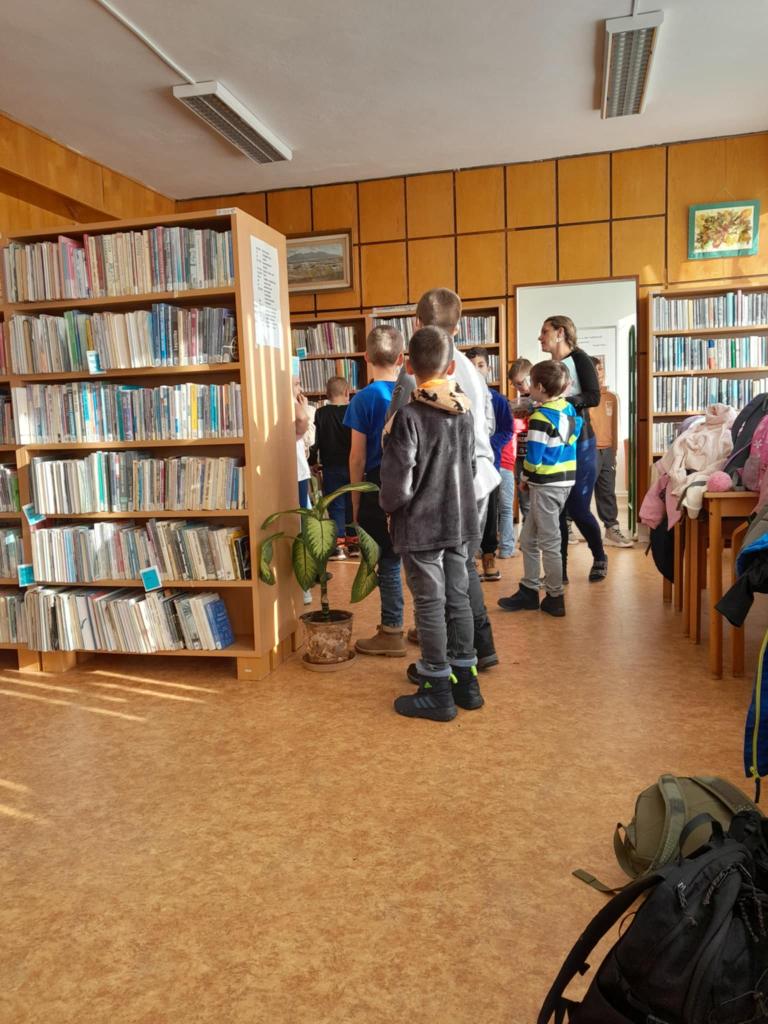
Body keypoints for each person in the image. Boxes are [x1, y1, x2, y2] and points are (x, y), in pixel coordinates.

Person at [386, 288, 500, 671]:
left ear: (415, 324)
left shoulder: (413, 376)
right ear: (460, 325)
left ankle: (443, 662)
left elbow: (396, 436)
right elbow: (489, 425)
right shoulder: (469, 369)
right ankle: (476, 651)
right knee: (462, 572)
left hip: (431, 494)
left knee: (433, 590)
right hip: (475, 482)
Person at [380, 326, 482, 722]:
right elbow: (471, 467)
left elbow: (397, 483)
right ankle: (466, 681)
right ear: (451, 367)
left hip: (421, 525)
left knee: (429, 603)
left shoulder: (408, 417)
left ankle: (436, 687)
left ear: (407, 366)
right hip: (460, 520)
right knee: (458, 598)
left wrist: (388, 507)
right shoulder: (465, 412)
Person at [497, 360, 581, 618]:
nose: (528, 389)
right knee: (528, 539)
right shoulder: (566, 408)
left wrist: (524, 477)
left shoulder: (540, 418)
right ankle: (529, 589)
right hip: (564, 481)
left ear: (540, 387)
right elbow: (574, 433)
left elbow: (533, 456)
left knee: (549, 542)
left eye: (531, 384)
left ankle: (555, 596)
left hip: (545, 484)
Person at [344, 326, 406, 656]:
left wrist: (355, 502)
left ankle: (392, 630)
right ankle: (428, 628)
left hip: (377, 485)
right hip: (413, 484)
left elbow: (357, 457)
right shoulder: (413, 393)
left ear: (366, 357)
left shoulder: (363, 399)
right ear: (401, 358)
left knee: (389, 562)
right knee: (420, 561)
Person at [538, 315, 608, 583]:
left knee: (578, 508)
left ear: (560, 333)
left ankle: (599, 555)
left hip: (581, 443)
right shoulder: (548, 366)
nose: (540, 337)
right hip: (555, 442)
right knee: (557, 510)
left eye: (545, 331)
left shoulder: (580, 359)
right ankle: (560, 572)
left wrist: (562, 400)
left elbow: (593, 396)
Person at [466, 348, 513, 581]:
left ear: (488, 368)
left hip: (489, 465)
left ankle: (488, 555)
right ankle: (468, 559)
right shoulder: (460, 397)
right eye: (471, 365)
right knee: (467, 512)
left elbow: (507, 429)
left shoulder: (499, 400)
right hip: (464, 467)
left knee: (490, 511)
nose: (476, 369)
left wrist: (488, 444)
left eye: (481, 365)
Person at [309, 375, 356, 560]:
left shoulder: (321, 414)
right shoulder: (353, 410)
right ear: (347, 392)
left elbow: (315, 441)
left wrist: (312, 460)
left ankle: (338, 546)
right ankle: (354, 544)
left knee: (336, 505)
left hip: (331, 467)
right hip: (353, 465)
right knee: (353, 503)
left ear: (327, 394)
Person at [589, 356, 634, 548]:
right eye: (595, 370)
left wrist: (614, 451)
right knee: (580, 491)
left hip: (607, 451)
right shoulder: (584, 397)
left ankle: (611, 528)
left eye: (601, 369)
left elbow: (615, 426)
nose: (599, 373)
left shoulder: (611, 398)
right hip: (588, 450)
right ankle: (568, 524)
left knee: (607, 491)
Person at [294, 376, 315, 605]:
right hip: (296, 472)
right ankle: (303, 585)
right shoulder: (291, 403)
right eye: (296, 384)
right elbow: (301, 420)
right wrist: (302, 407)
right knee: (300, 528)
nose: (300, 388)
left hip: (296, 470)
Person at [508, 358, 533, 524]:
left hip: (535, 454)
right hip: (520, 453)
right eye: (515, 385)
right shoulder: (520, 401)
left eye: (520, 383)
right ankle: (527, 530)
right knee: (524, 498)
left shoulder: (541, 399)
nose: (518, 388)